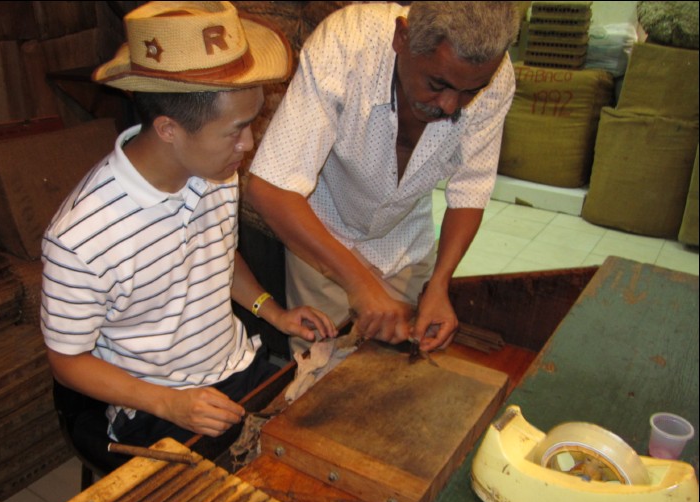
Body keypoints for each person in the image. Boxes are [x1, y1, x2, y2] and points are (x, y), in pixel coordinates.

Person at [40, 2, 337, 454]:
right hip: (154, 406)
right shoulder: (80, 239)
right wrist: (170, 403)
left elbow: (219, 253)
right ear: (168, 129)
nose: (249, 143)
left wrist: (273, 312)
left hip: (237, 368)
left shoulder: (216, 172)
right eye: (236, 130)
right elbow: (66, 361)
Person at [246, 1, 520, 354]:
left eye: (471, 92)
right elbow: (268, 188)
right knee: (322, 377)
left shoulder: (493, 77)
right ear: (401, 38)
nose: (452, 105)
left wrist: (439, 283)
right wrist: (359, 282)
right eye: (437, 84)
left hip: (405, 240)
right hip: (323, 237)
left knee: (404, 370)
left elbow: (471, 189)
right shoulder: (345, 44)